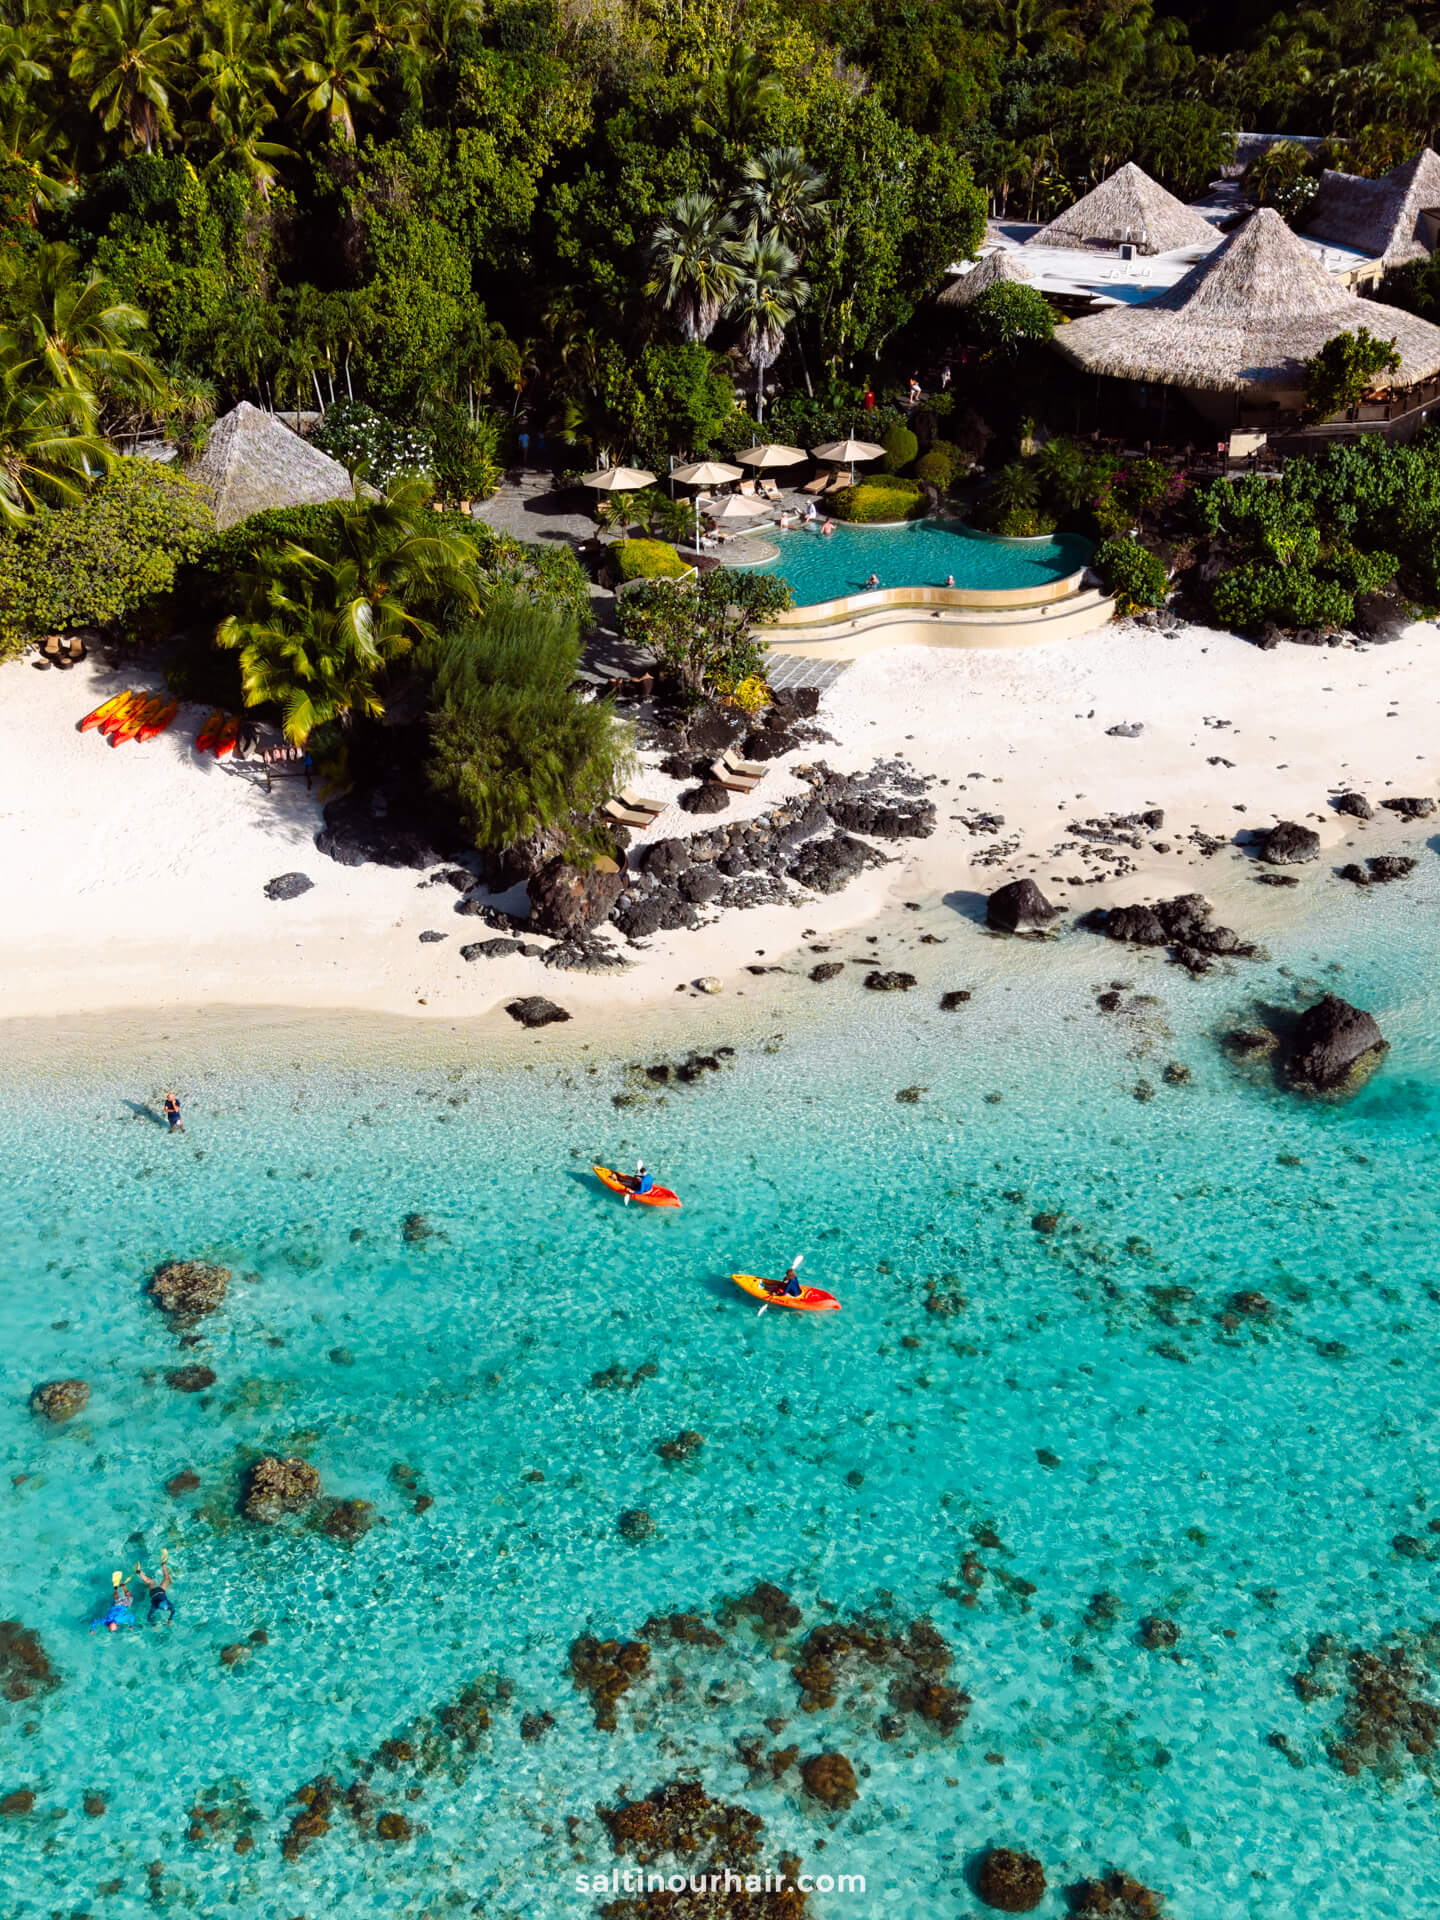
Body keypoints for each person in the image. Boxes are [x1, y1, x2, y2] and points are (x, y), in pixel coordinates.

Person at [134, 1552, 175, 1627]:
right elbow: (148, 1618)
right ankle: (139, 1573)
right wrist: (154, 1625)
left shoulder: (166, 1604)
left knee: (166, 1578)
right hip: (153, 1593)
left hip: (160, 1591)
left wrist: (170, 1619)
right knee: (150, 1582)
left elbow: (173, 1610)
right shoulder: (154, 1606)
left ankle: (163, 1564)